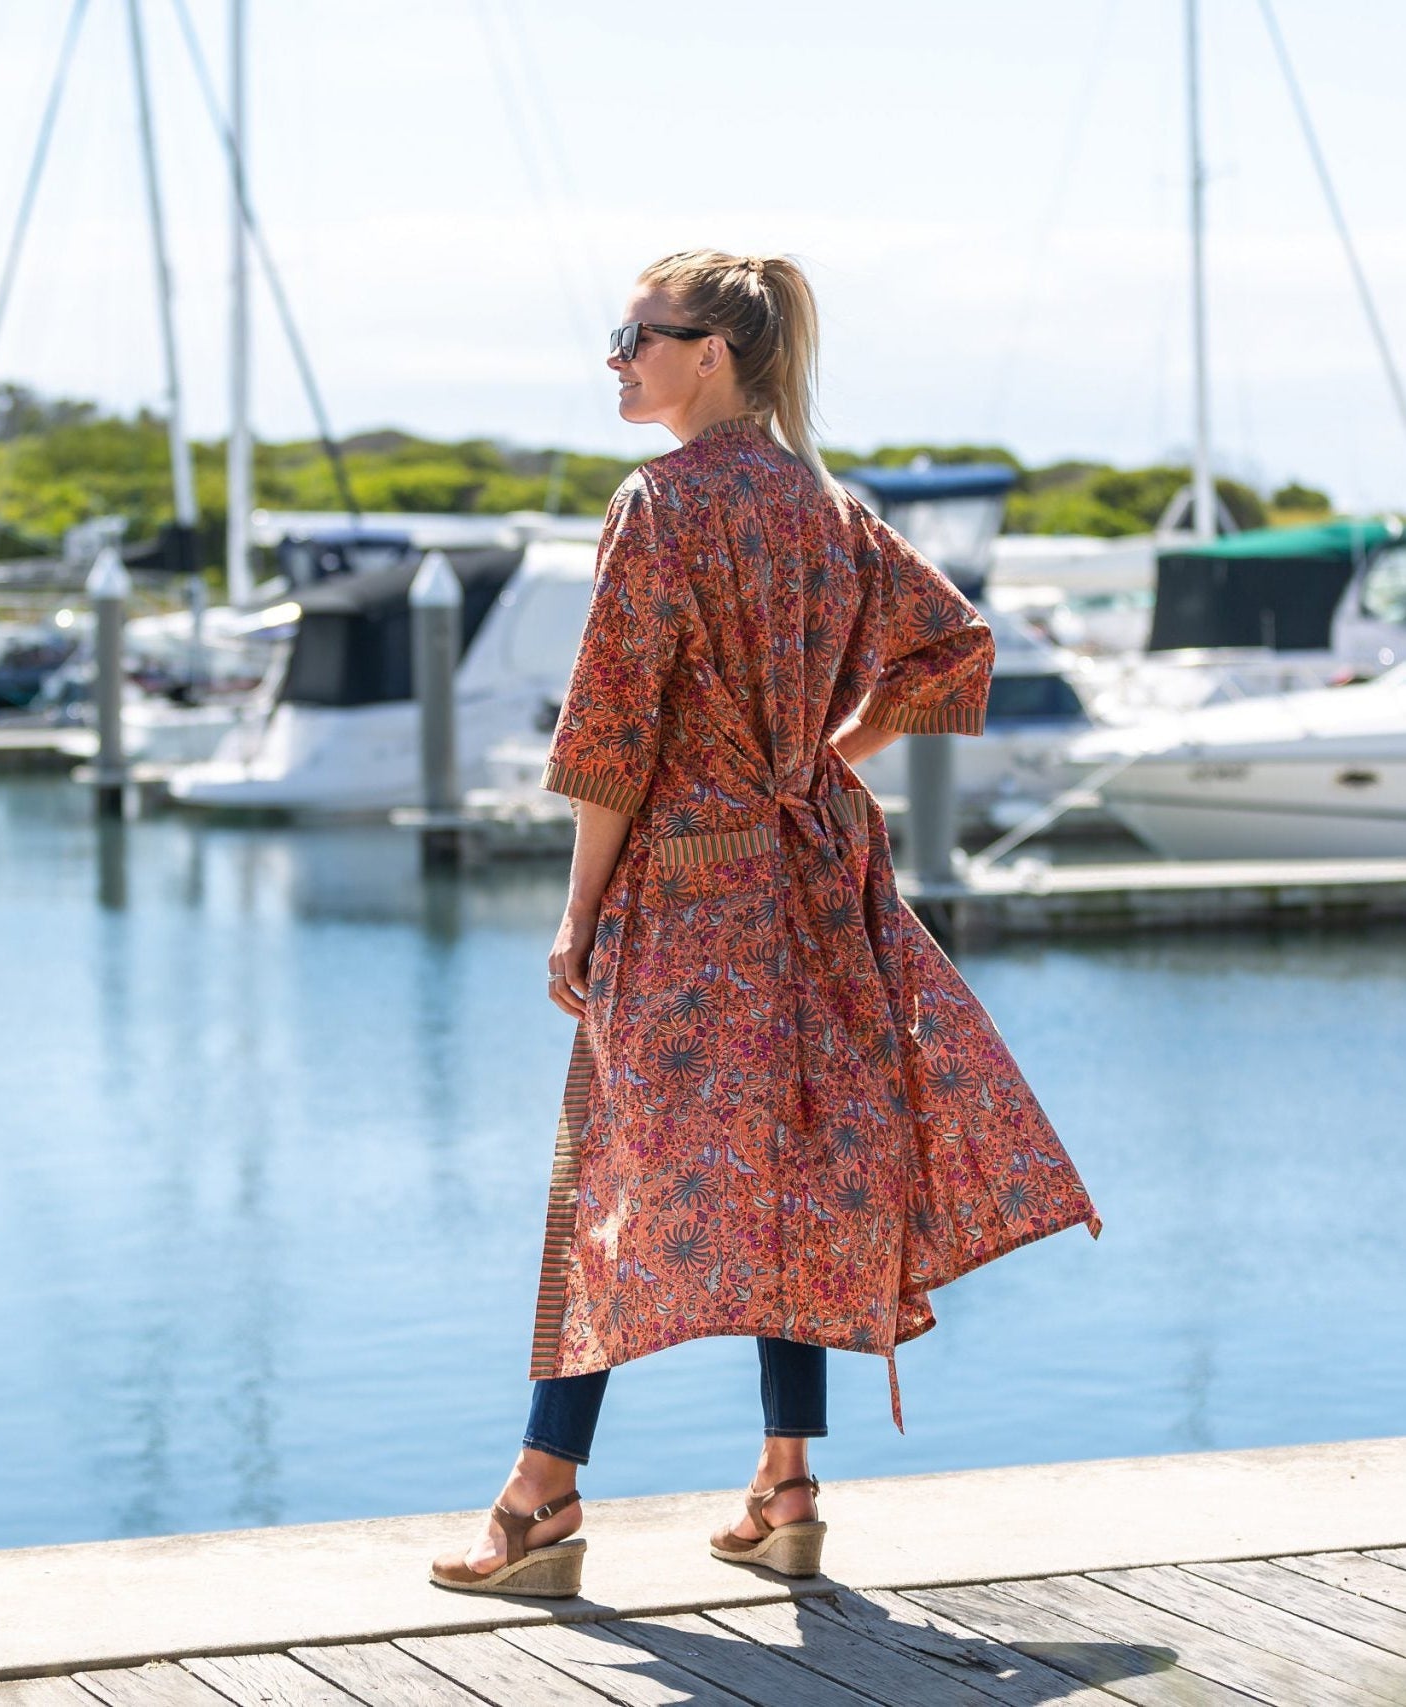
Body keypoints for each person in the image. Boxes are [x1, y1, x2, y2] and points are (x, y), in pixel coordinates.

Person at [430, 249, 1102, 1598]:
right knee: (792, 1169)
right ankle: (788, 1489)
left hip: (690, 881)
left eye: (637, 334)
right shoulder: (825, 503)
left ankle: (542, 1499)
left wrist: (574, 916)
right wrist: (822, 753)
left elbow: (613, 730)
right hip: (811, 871)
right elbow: (956, 643)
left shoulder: (660, 504)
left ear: (712, 357)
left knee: (615, 1177)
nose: (617, 358)